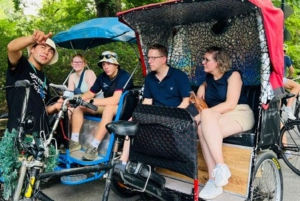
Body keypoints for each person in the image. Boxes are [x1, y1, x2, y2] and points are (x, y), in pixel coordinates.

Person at [116, 43, 191, 170]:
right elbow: (148, 101)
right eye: (148, 58)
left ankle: (150, 164)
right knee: (131, 124)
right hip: (155, 114)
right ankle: (124, 161)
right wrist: (136, 116)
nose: (149, 61)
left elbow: (186, 101)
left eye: (153, 58)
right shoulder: (150, 78)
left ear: (163, 59)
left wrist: (172, 116)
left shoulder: (179, 76)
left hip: (175, 116)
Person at [196, 46, 255, 200]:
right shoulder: (209, 79)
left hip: (240, 112)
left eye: (207, 60)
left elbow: (230, 104)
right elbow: (209, 88)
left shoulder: (233, 75)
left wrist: (206, 114)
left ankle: (220, 168)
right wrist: (202, 86)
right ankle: (214, 178)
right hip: (219, 116)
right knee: (202, 129)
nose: (203, 62)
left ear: (218, 62)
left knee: (205, 119)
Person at [68, 51, 134, 161]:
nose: (105, 67)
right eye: (103, 64)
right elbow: (90, 93)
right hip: (107, 104)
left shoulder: (124, 76)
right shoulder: (102, 77)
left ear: (116, 64)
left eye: (109, 64)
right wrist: (80, 99)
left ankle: (94, 146)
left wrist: (93, 101)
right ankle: (74, 141)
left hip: (122, 107)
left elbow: (115, 100)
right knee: (79, 107)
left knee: (108, 109)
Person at [6, 30, 62, 134]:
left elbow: (44, 109)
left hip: (42, 137)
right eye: (43, 47)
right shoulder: (21, 66)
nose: (46, 52)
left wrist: (55, 107)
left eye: (51, 51)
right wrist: (33, 39)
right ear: (32, 49)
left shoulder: (45, 80)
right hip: (18, 134)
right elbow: (11, 48)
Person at [282, 44, 300, 120]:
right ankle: (288, 108)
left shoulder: (274, 56)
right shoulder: (286, 57)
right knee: (297, 86)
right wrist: (289, 77)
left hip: (273, 80)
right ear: (285, 51)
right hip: (280, 79)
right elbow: (292, 70)